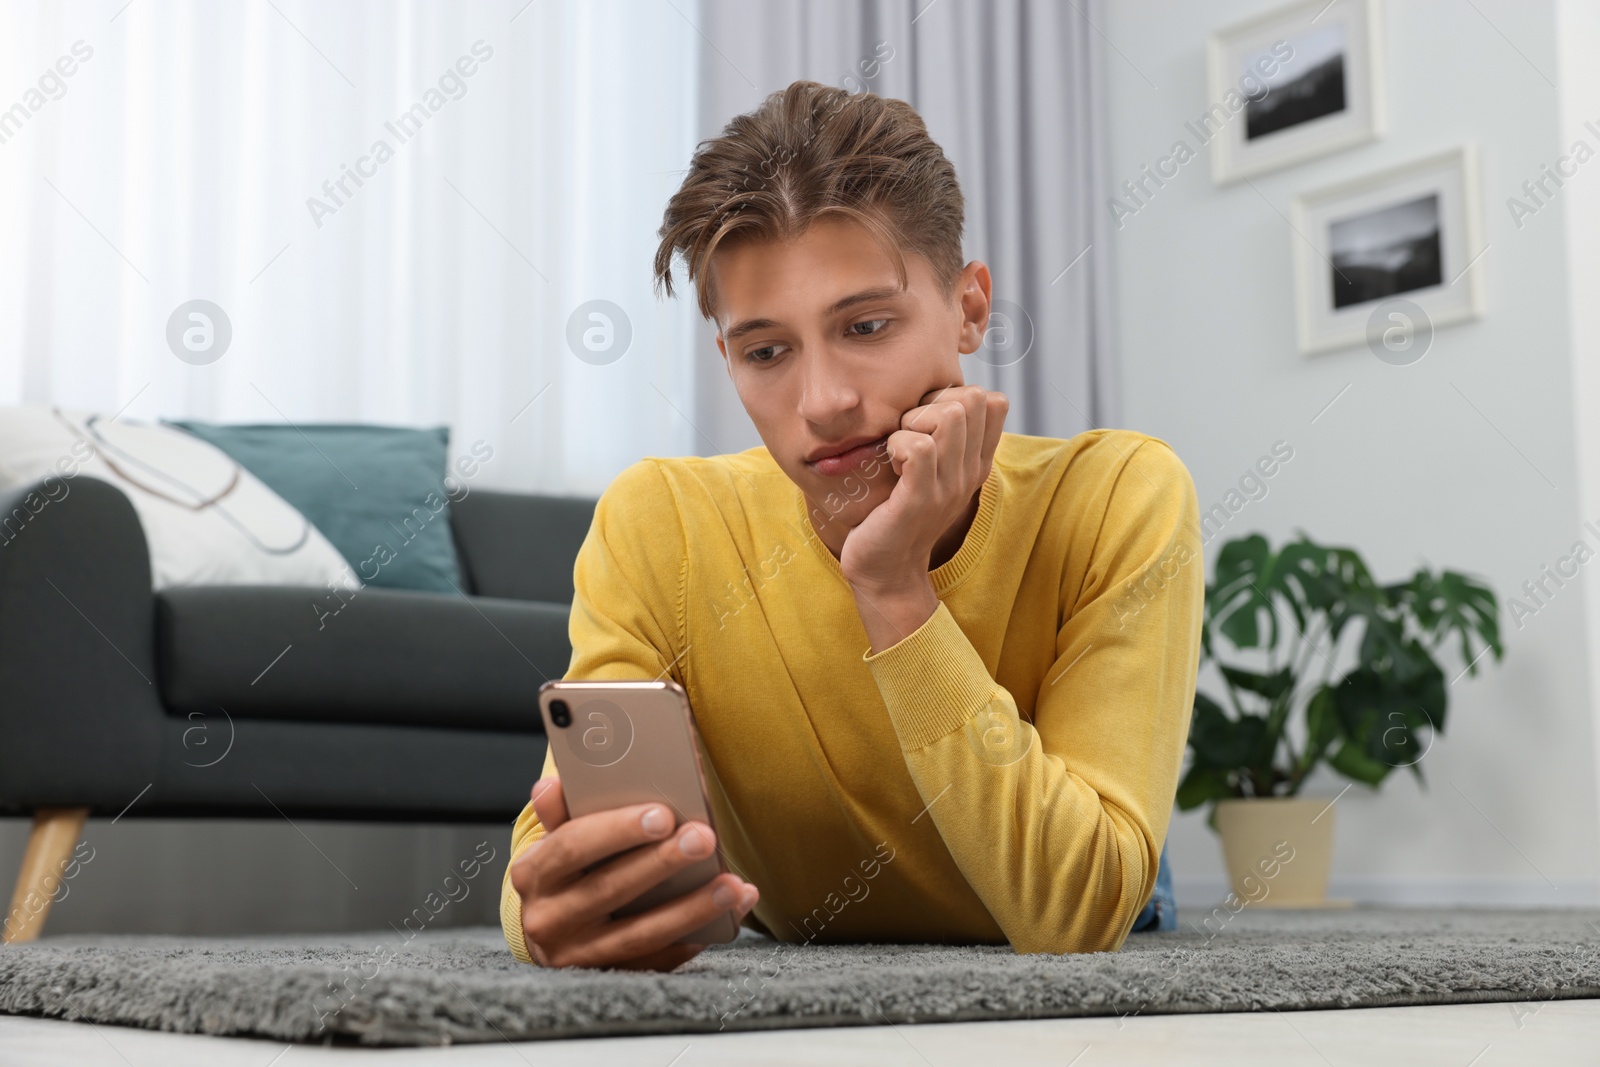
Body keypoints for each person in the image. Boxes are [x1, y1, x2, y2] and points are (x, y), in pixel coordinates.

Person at [501, 79, 1201, 970]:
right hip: (805, 918)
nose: (825, 403)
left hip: (1066, 838)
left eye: (866, 325)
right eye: (766, 351)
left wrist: (894, 585)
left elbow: (1073, 915)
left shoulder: (1118, 495)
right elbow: (558, 831)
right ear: (728, 360)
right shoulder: (660, 521)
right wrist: (545, 910)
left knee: (1107, 854)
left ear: (970, 308)